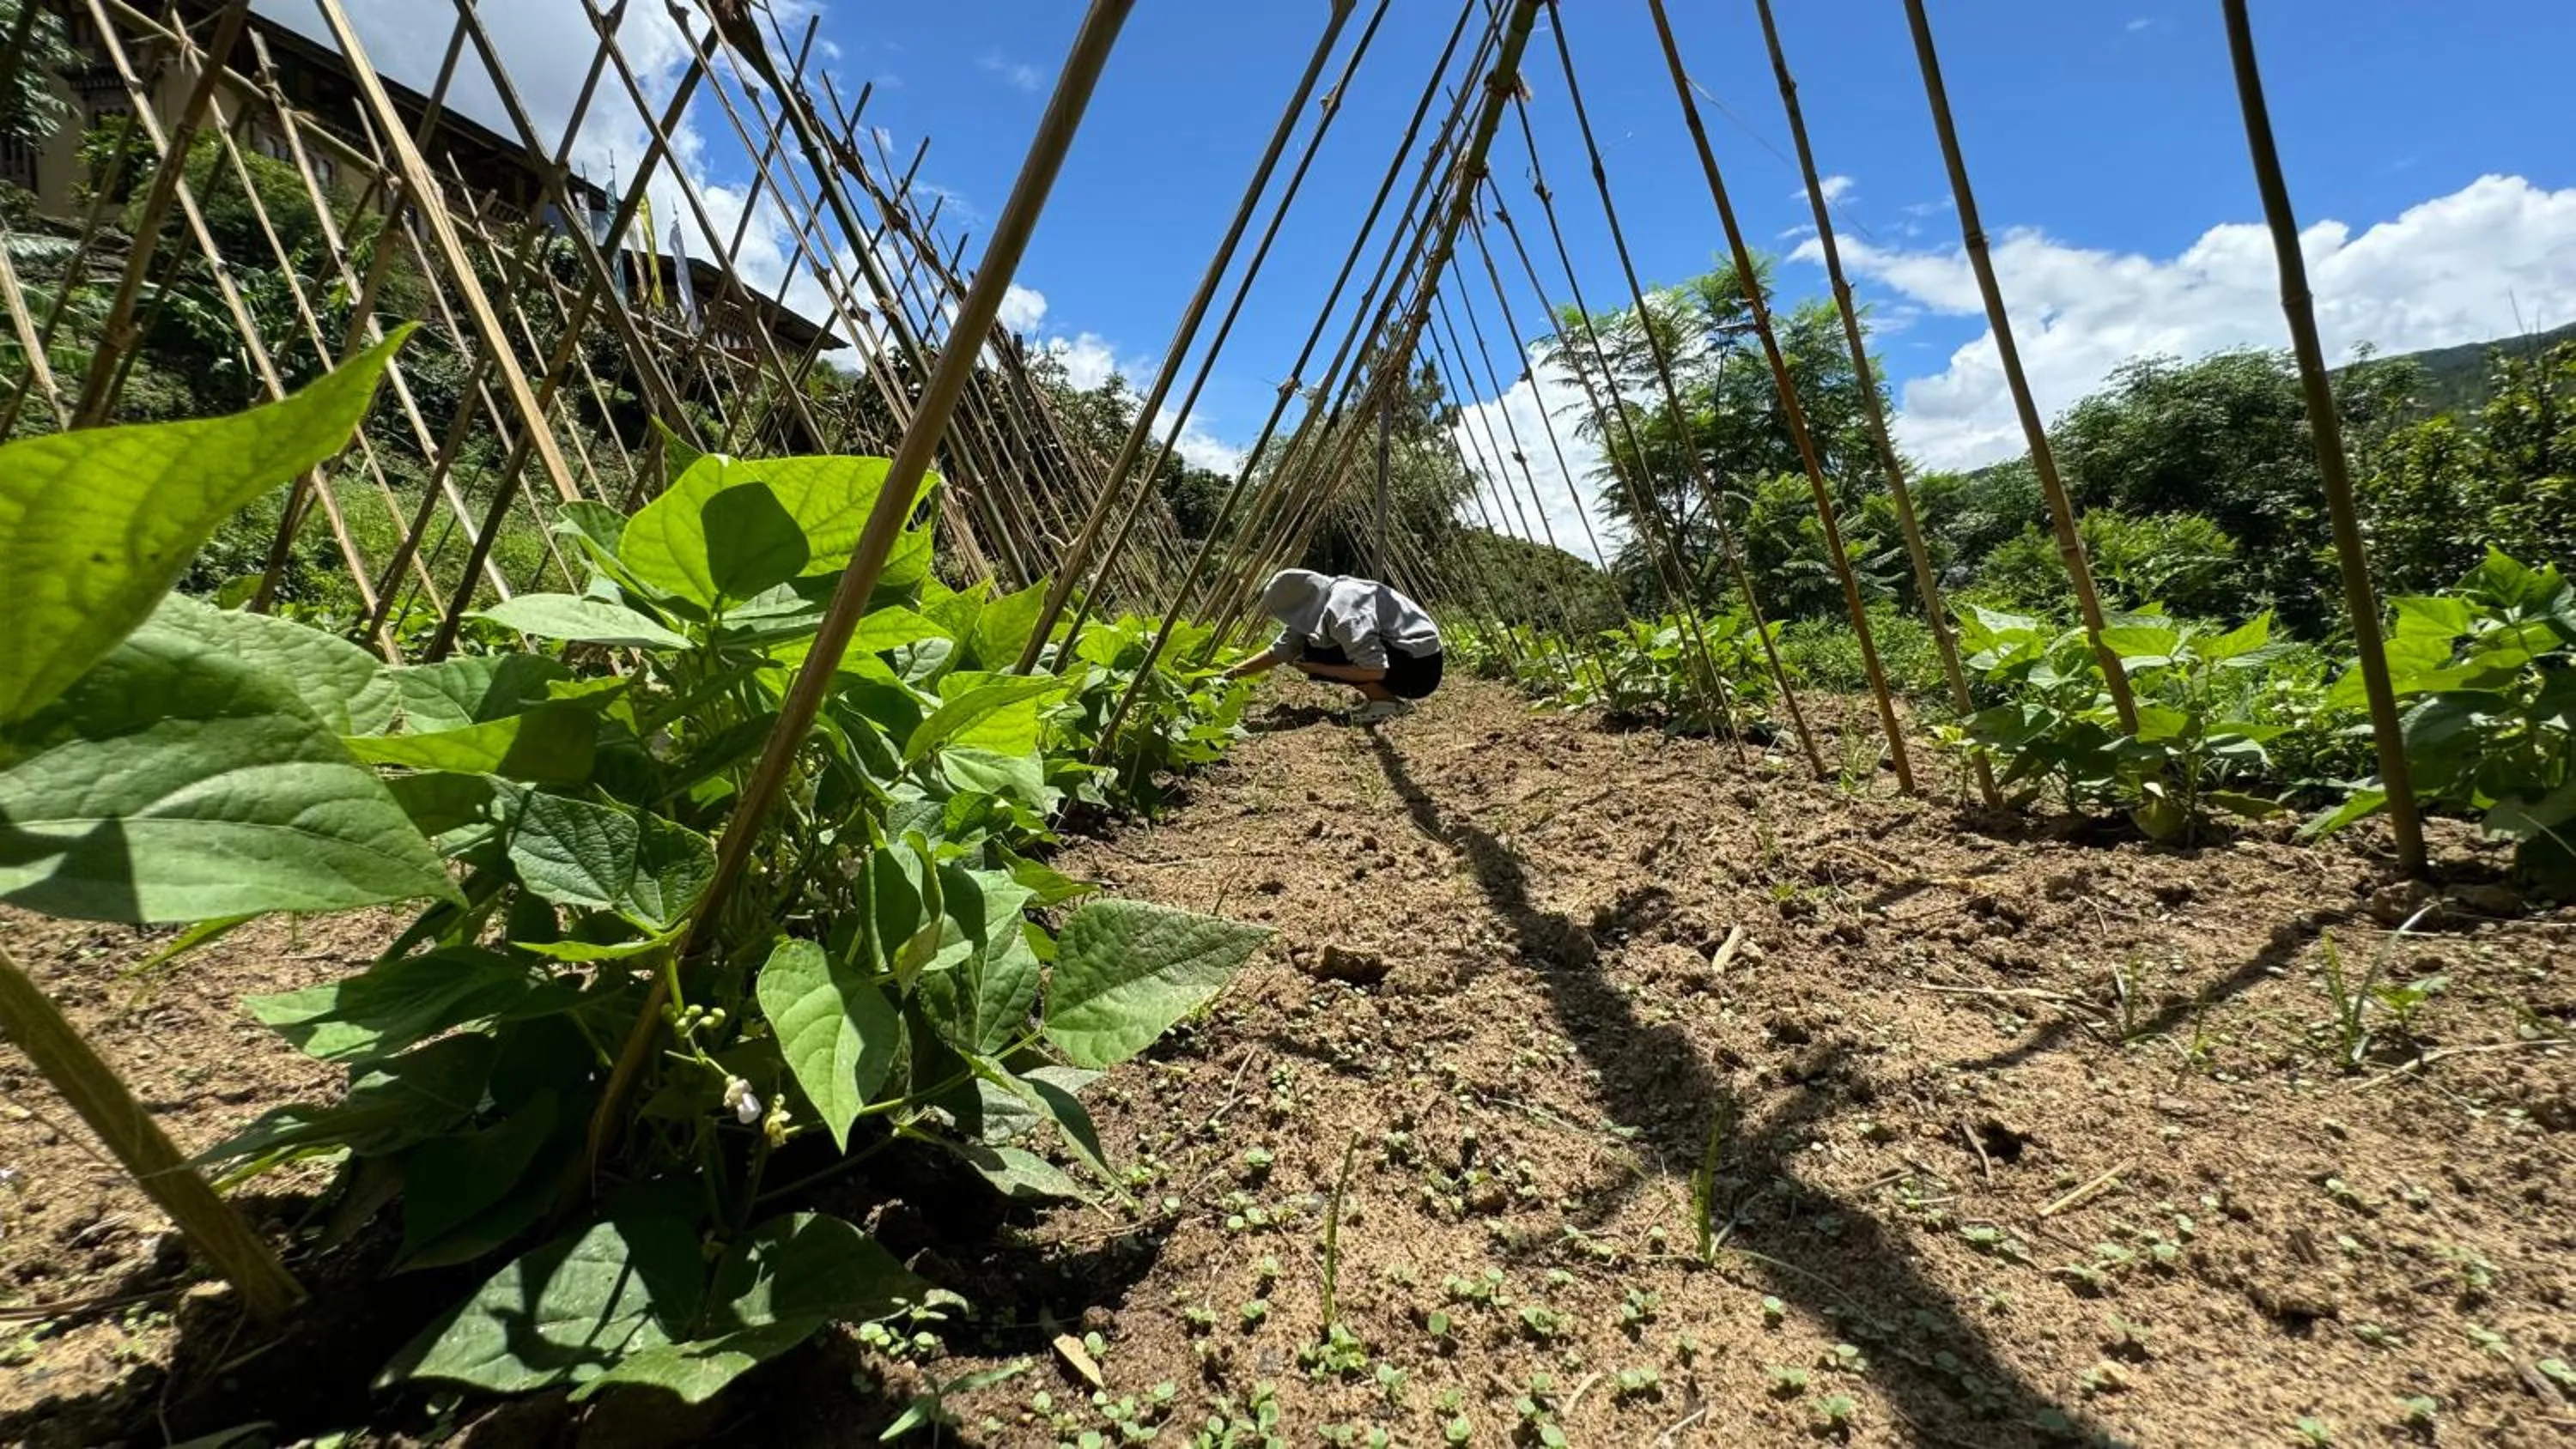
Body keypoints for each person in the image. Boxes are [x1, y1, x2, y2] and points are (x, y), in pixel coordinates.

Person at [1224, 568, 1444, 722]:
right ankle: (1380, 698)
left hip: (1419, 671)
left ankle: (1388, 703)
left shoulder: (1343, 611)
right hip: (1408, 658)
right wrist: (1229, 675)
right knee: (1312, 648)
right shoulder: (1319, 598)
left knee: (1317, 653)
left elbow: (1375, 669)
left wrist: (1318, 669)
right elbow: (1283, 649)